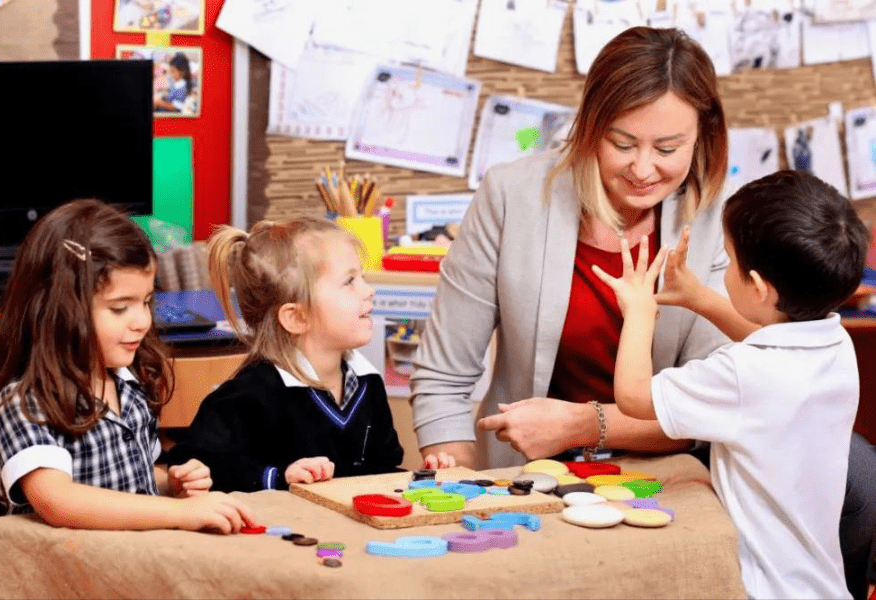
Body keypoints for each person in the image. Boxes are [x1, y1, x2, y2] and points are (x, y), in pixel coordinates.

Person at [409, 25, 876, 599]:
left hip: (675, 460)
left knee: (859, 472)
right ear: (589, 124)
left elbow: (728, 391)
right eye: (623, 143)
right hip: (530, 466)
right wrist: (454, 476)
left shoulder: (723, 224)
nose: (643, 169)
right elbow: (443, 375)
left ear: (703, 136)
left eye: (668, 148)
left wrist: (583, 423)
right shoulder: (511, 195)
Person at [592, 169, 868, 598]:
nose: (725, 268)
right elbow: (766, 338)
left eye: (728, 258)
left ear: (757, 286)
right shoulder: (835, 344)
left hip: (762, 588)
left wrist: (638, 312)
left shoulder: (741, 373)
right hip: (819, 583)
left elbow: (632, 396)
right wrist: (698, 296)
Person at [0, 199, 256, 534]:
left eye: (147, 302)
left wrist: (171, 484)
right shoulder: (27, 403)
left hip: (131, 564)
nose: (142, 321)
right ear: (59, 311)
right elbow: (58, 501)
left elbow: (132, 474)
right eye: (120, 308)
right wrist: (178, 514)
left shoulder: (131, 386)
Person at [167, 217, 445, 492]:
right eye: (349, 281)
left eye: (363, 277)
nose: (369, 291)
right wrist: (279, 477)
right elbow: (198, 466)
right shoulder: (251, 393)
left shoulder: (368, 382)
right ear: (297, 317)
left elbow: (379, 470)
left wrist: (423, 479)